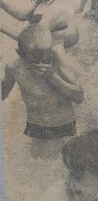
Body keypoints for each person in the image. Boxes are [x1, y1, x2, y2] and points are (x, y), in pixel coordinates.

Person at [2, 25, 84, 159]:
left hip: (63, 126)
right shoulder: (14, 68)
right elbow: (3, 93)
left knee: (67, 163)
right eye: (34, 62)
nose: (42, 65)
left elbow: (79, 96)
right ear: (20, 54)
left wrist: (53, 77)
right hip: (36, 126)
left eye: (46, 59)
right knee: (38, 167)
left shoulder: (58, 62)